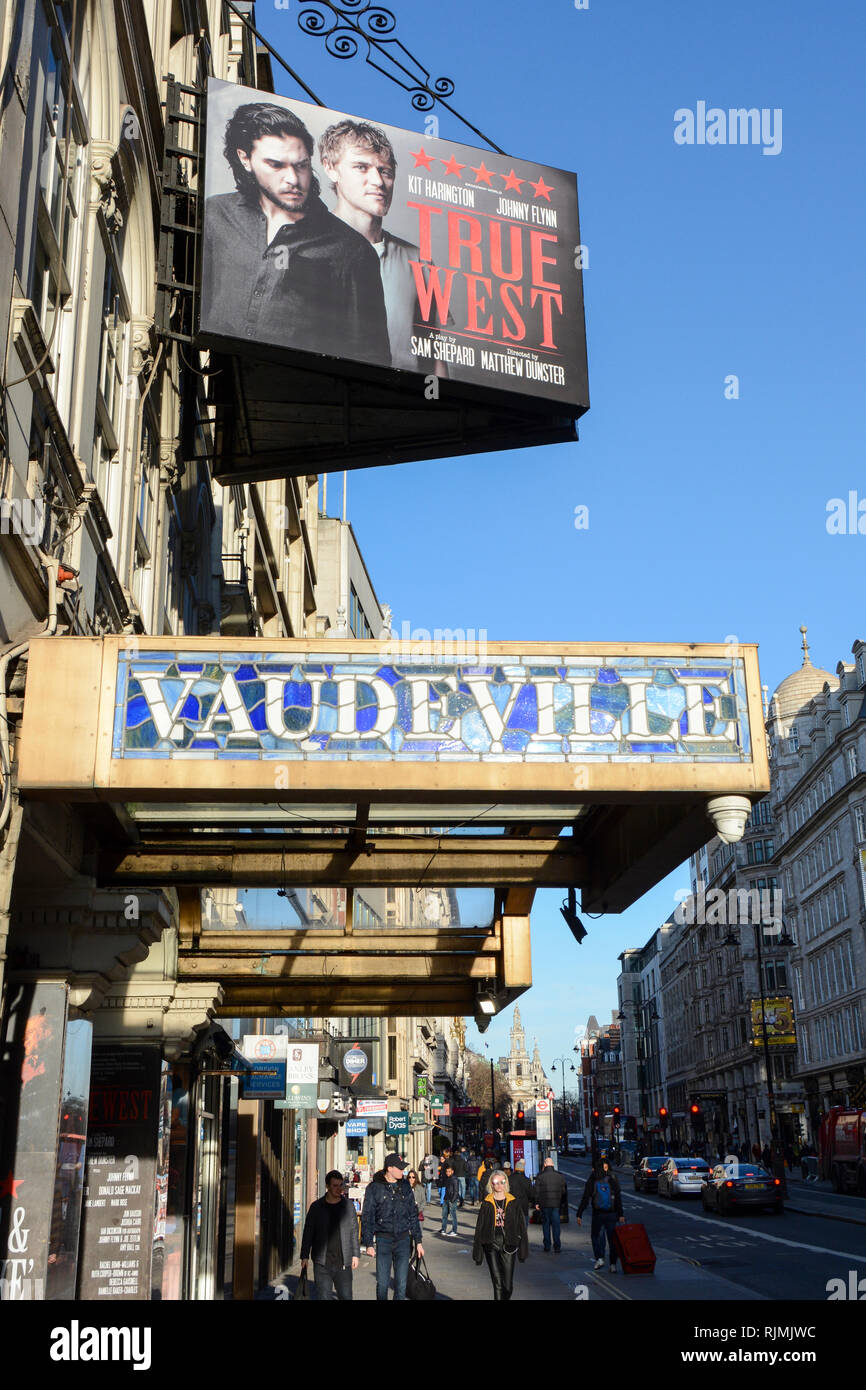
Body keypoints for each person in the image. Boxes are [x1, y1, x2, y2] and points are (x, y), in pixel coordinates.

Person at [202, 102, 390, 366]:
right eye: (276, 165)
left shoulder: (353, 252)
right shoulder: (216, 214)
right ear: (245, 159)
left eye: (301, 165)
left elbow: (372, 359)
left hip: (288, 397)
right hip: (207, 383)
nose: (293, 178)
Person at [319, 119, 446, 374]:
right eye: (361, 167)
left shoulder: (419, 261)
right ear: (331, 168)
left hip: (402, 405)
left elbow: (434, 355)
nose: (378, 181)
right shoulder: (306, 245)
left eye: (385, 171)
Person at [361, 1154, 424, 1301]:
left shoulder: (405, 1186)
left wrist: (418, 1241)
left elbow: (413, 1214)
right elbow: (367, 1216)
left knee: (401, 1285)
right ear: (389, 1168)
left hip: (403, 1240)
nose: (403, 1171)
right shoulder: (374, 1187)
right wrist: (369, 1243)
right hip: (384, 1240)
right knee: (382, 1285)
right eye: (400, 1168)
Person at [299, 1170, 360, 1300]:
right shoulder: (316, 1207)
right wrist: (304, 1255)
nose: (339, 1189)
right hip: (322, 1263)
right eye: (335, 1186)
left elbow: (354, 1230)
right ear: (327, 1186)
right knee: (324, 1297)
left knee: (346, 1296)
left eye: (341, 1185)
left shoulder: (348, 1206)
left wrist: (356, 1254)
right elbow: (308, 1232)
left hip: (344, 1262)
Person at [472, 1170, 528, 1301]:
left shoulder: (513, 1201)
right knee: (497, 1282)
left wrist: (523, 1250)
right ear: (491, 1184)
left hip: (509, 1243)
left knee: (507, 1285)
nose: (499, 1185)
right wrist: (477, 1253)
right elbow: (479, 1227)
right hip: (491, 1243)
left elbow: (521, 1226)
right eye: (496, 1182)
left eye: (502, 1182)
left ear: (506, 1183)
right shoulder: (487, 1202)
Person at [576, 1157, 624, 1273]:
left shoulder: (592, 1180)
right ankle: (613, 1264)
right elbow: (617, 1197)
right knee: (613, 1240)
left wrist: (579, 1213)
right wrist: (621, 1214)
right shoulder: (611, 1179)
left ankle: (599, 1258)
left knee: (596, 1236)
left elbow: (585, 1198)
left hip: (598, 1214)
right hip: (612, 1214)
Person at [534, 1156, 568, 1254]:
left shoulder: (540, 1176)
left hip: (544, 1204)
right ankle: (557, 1246)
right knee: (556, 1226)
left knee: (546, 1225)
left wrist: (537, 1202)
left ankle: (547, 1245)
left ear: (544, 1165)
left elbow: (537, 1191)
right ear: (553, 1165)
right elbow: (563, 1191)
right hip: (556, 1204)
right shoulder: (560, 1176)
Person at [509, 1158, 534, 1226]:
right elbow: (531, 1193)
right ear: (523, 1169)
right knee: (524, 1222)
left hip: (512, 1204)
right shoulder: (527, 1180)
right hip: (524, 1204)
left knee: (513, 1223)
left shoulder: (509, 1179)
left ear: (515, 1168)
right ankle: (523, 1235)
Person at [439, 1162, 459, 1237]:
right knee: (444, 1215)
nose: (447, 1173)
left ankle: (454, 1230)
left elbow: (456, 1191)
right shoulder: (447, 1178)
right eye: (446, 1171)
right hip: (446, 1199)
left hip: (451, 1200)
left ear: (452, 1171)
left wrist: (452, 1200)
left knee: (453, 1216)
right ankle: (443, 1229)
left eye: (449, 1171)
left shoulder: (454, 1179)